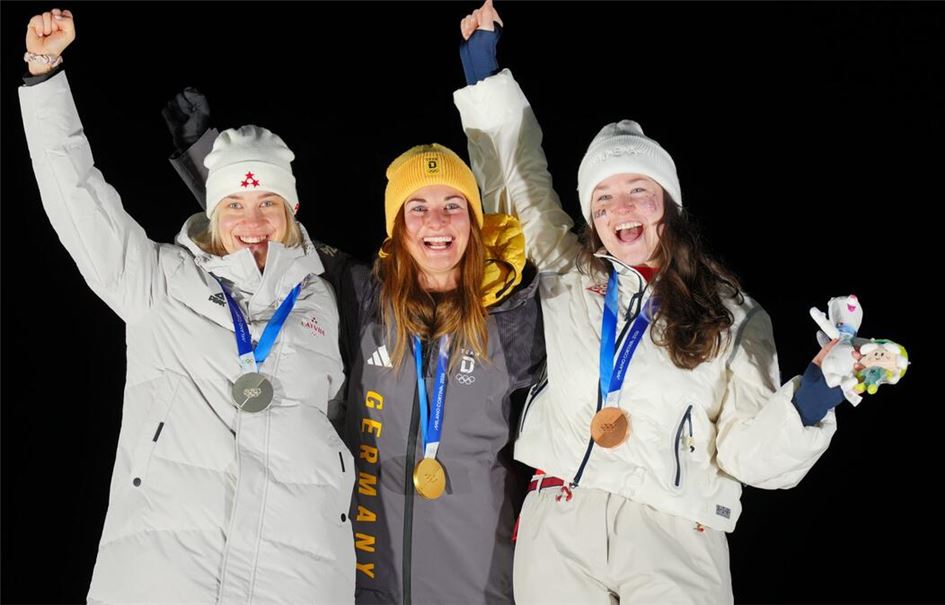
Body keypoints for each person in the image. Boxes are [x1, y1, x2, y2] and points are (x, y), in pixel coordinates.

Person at [454, 3, 855, 602]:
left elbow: (749, 458)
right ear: (592, 216)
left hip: (675, 531)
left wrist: (813, 398)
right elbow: (517, 180)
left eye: (638, 190)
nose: (620, 209)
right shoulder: (568, 274)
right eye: (603, 198)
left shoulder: (735, 317)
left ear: (668, 203)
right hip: (561, 518)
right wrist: (484, 76)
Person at [163, 54, 544, 605]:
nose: (436, 221)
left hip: (479, 587)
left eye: (452, 205)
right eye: (417, 208)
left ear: (474, 222)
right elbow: (265, 232)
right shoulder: (363, 297)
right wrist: (207, 154)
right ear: (397, 228)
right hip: (364, 581)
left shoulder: (513, 317)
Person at [20, 9, 355, 603]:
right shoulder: (159, 281)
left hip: (297, 577)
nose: (252, 222)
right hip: (168, 574)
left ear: (292, 212)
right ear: (212, 212)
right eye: (234, 206)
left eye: (268, 204)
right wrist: (45, 75)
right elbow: (77, 198)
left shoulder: (322, 300)